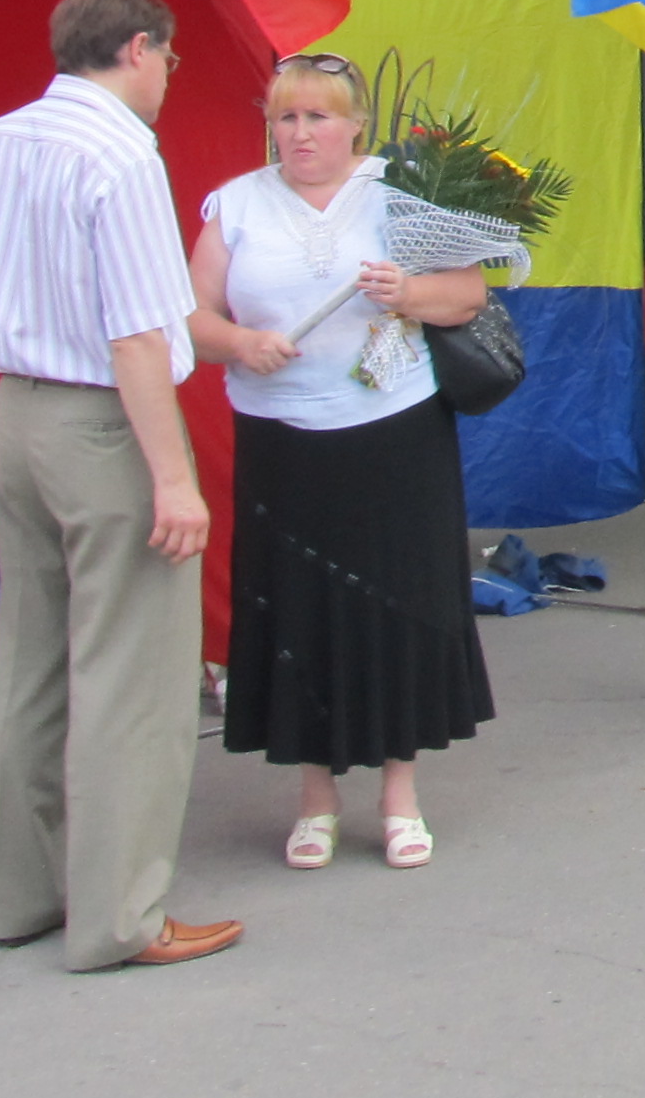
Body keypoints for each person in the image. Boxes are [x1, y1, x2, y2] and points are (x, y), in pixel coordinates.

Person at [0, 0, 236, 969]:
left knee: (29, 658)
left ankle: (20, 895)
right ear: (140, 49)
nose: (169, 79)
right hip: (104, 420)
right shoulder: (122, 154)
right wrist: (174, 478)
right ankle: (121, 915)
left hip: (16, 408)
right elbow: (139, 335)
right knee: (133, 675)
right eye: (170, 60)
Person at [190, 53, 522, 870]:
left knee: (396, 607)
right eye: (287, 117)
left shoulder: (397, 193)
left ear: (356, 126)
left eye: (320, 117)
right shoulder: (235, 205)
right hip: (281, 440)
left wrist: (405, 293)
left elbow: (468, 294)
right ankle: (316, 800)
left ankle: (400, 796)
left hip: (394, 430)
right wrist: (240, 342)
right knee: (298, 613)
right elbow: (189, 317)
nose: (302, 134)